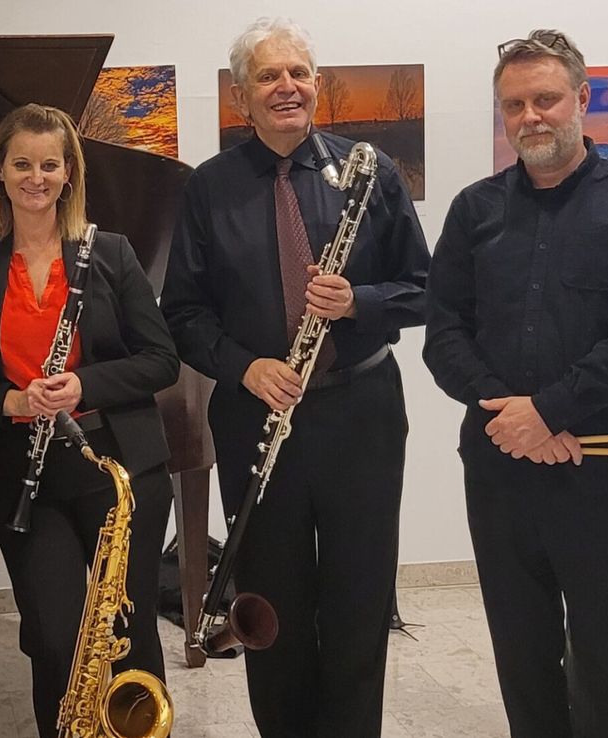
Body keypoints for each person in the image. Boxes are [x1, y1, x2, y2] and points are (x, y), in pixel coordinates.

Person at [161, 18, 430, 737]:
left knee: (360, 592)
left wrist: (359, 301)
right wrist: (245, 367)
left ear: (317, 85)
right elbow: (182, 313)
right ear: (242, 97)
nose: (287, 86)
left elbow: (427, 288)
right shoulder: (209, 189)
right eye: (269, 76)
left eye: (299, 73)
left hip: (361, 412)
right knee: (270, 598)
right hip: (257, 414)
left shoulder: (371, 172)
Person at [423, 29, 608, 738]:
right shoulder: (473, 211)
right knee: (521, 655)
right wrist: (517, 420)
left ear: (581, 99)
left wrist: (550, 411)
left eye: (545, 99)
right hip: (499, 469)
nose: (530, 116)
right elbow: (443, 333)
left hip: (603, 471)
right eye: (514, 104)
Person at [0, 103, 180, 737]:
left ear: (69, 173)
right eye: (22, 164)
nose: (35, 177)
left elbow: (161, 361)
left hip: (118, 467)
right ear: (0, 172)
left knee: (127, 635)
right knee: (54, 639)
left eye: (49, 164)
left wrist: (83, 384)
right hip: (27, 474)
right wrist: (9, 402)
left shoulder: (113, 254)